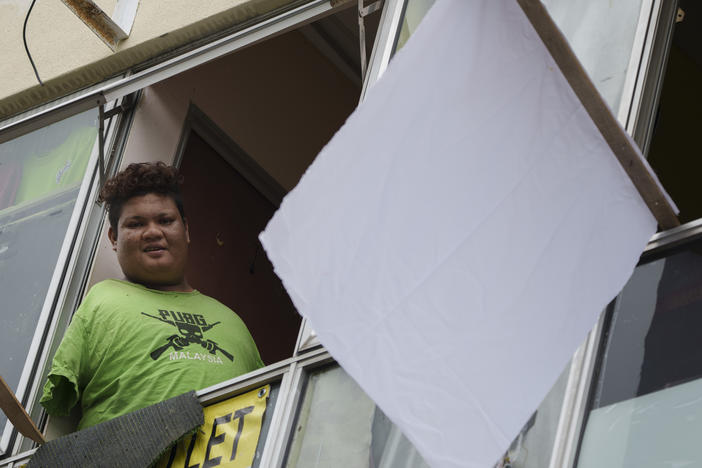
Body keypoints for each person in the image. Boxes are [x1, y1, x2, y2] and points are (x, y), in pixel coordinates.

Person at [40, 162, 264, 430]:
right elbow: (54, 421)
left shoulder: (232, 322)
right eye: (136, 224)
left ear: (187, 230)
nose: (153, 232)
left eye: (165, 220)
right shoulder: (102, 299)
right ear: (113, 238)